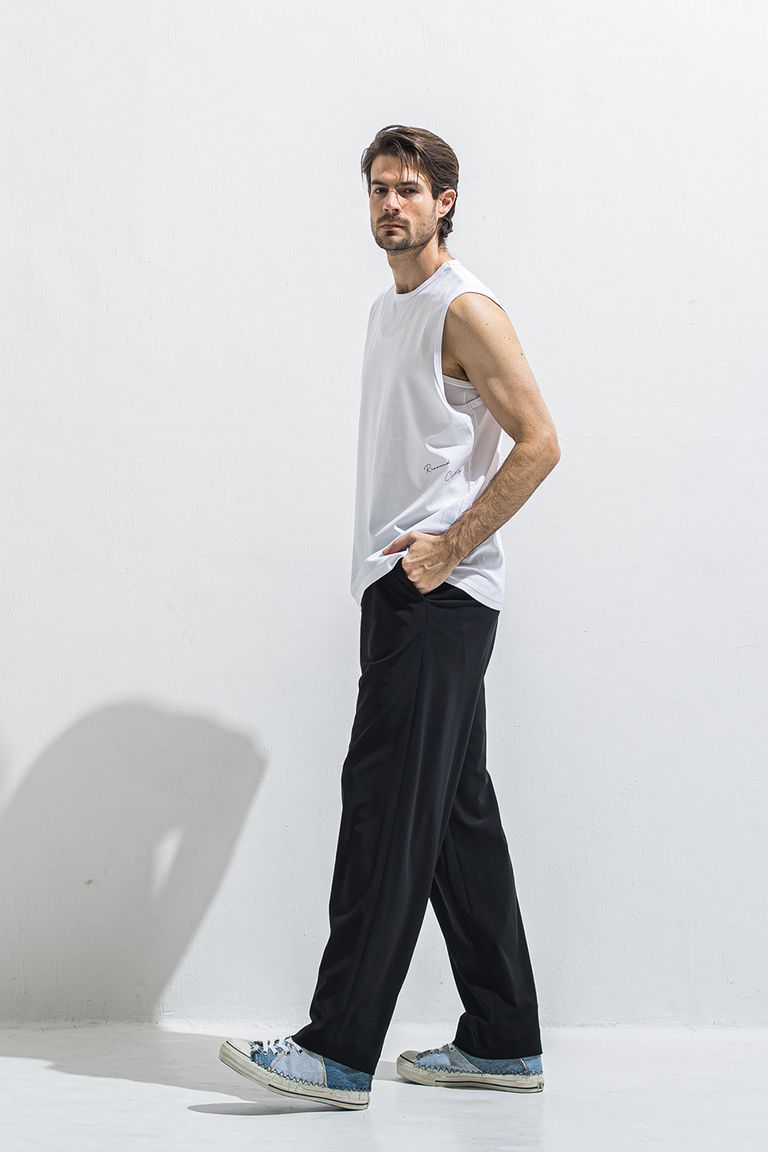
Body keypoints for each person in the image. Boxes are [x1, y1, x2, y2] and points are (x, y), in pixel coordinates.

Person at [219, 124, 561, 1111]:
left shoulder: (466, 307)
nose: (390, 205)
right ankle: (503, 1040)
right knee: (454, 821)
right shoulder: (389, 309)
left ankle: (338, 1048)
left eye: (408, 189)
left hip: (436, 597)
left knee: (383, 810)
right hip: (402, 591)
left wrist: (448, 548)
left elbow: (540, 442)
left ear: (446, 200)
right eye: (378, 188)